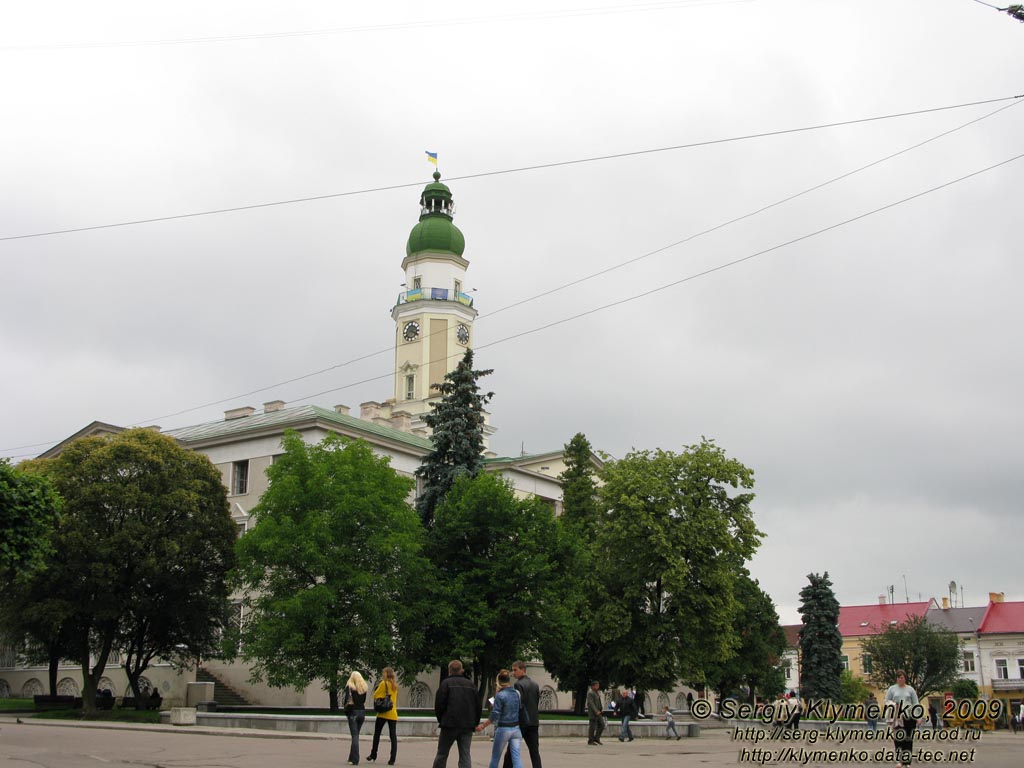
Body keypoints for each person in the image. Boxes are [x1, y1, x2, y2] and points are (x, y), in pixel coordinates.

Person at [432, 660, 481, 768]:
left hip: (449, 724)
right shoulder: (471, 685)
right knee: (465, 755)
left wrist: (442, 719)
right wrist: (475, 723)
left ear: (449, 670)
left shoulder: (445, 684)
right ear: (461, 670)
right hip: (467, 725)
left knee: (442, 753)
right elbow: (478, 706)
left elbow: (439, 704)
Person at [476, 669, 523, 768]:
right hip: (516, 728)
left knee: (495, 757)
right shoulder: (517, 693)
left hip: (503, 728)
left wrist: (483, 725)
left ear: (498, 682)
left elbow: (495, 714)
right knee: (516, 757)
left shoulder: (500, 695)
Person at [503, 660, 541, 768]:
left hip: (521, 723)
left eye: (515, 670)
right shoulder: (535, 684)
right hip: (533, 722)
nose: (513, 673)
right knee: (534, 753)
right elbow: (536, 702)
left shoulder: (518, 685)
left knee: (510, 751)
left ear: (523, 670)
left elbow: (517, 704)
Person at [884, 669, 920, 767]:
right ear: (896, 679)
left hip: (909, 716)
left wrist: (918, 716)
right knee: (899, 739)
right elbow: (886, 701)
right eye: (899, 678)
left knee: (908, 739)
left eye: (902, 678)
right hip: (897, 717)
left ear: (905, 678)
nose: (901, 679)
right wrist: (892, 704)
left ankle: (907, 762)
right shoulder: (892, 689)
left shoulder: (910, 689)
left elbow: (915, 703)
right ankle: (900, 761)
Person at [367, 667, 399, 765]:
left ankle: (373, 754)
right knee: (393, 736)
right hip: (392, 713)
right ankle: (392, 758)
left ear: (385, 674)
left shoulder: (383, 683)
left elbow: (376, 695)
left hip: (383, 713)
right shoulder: (395, 685)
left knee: (377, 734)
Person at [343, 671, 369, 765]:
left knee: (354, 736)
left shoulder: (350, 687)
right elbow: (363, 701)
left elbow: (346, 700)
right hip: (362, 712)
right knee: (356, 735)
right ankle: (351, 757)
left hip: (353, 713)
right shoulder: (364, 688)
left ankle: (355, 759)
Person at [586, 680, 605, 745]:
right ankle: (590, 740)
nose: (598, 687)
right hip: (593, 713)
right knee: (592, 727)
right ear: (593, 686)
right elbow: (591, 703)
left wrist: (600, 709)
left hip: (598, 712)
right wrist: (596, 711)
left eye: (598, 685)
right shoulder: (590, 693)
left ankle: (597, 738)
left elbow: (598, 702)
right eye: (597, 686)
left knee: (602, 724)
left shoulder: (596, 692)